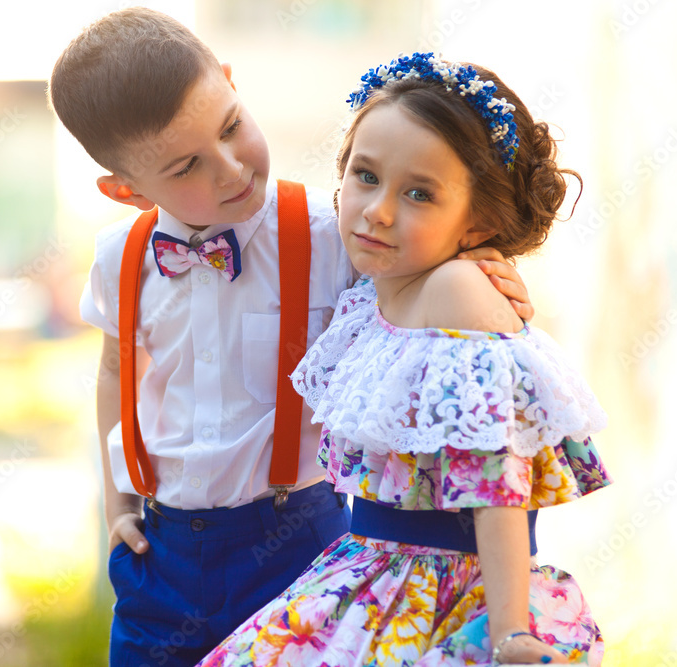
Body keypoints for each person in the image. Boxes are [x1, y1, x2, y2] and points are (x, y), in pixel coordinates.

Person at [49, 11, 535, 664]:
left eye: (230, 127)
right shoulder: (119, 257)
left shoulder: (331, 233)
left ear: (229, 81)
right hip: (157, 554)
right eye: (188, 165)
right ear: (127, 190)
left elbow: (412, 290)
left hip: (297, 541)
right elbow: (116, 370)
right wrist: (118, 505)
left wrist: (475, 273)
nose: (229, 169)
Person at [198, 52, 612, 667]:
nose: (378, 210)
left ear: (478, 225)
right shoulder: (377, 290)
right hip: (366, 563)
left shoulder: (454, 291)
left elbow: (496, 481)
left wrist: (508, 632)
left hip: (439, 587)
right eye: (365, 175)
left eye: (419, 193)